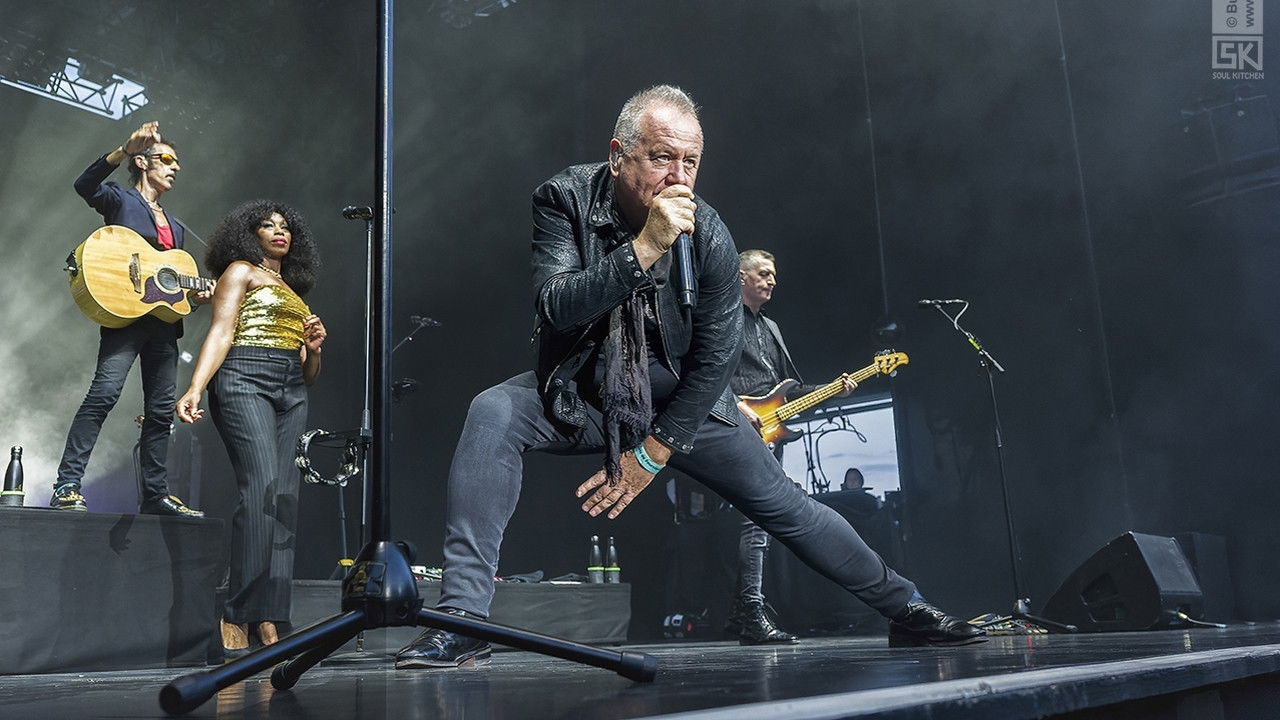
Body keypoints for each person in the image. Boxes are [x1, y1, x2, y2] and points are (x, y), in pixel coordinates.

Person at [395, 85, 983, 670]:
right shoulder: (564, 198)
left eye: (691, 162)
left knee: (787, 506)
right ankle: (463, 620)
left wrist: (651, 454)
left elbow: (715, 361)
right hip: (584, 390)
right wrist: (645, 246)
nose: (678, 176)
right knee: (492, 411)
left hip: (684, 401)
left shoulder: (712, 234)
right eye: (661, 158)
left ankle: (907, 606)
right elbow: (555, 305)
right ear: (618, 154)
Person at [176, 200, 325, 654]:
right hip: (244, 377)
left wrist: (315, 349)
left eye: (286, 227)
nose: (280, 232)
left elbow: (307, 373)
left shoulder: (294, 292)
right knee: (259, 487)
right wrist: (195, 388)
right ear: (250, 234)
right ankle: (236, 610)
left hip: (290, 389)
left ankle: (270, 617)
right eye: (268, 225)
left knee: (284, 499)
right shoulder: (239, 270)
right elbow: (221, 330)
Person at [52, 121, 208, 516]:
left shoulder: (175, 225)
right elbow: (83, 185)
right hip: (124, 315)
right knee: (103, 395)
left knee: (160, 411)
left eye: (177, 164)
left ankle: (155, 495)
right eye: (166, 159)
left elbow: (172, 287)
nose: (174, 168)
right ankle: (67, 484)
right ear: (142, 162)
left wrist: (200, 294)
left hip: (162, 326)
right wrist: (120, 150)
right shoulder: (120, 200)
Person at [724, 248, 856, 645]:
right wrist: (735, 407)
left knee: (761, 521)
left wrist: (833, 390)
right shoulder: (721, 318)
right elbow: (703, 372)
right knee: (756, 524)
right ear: (741, 277)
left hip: (770, 433)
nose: (772, 281)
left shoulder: (772, 329)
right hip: (735, 428)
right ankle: (750, 612)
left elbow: (789, 389)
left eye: (774, 275)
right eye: (763, 274)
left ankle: (743, 612)